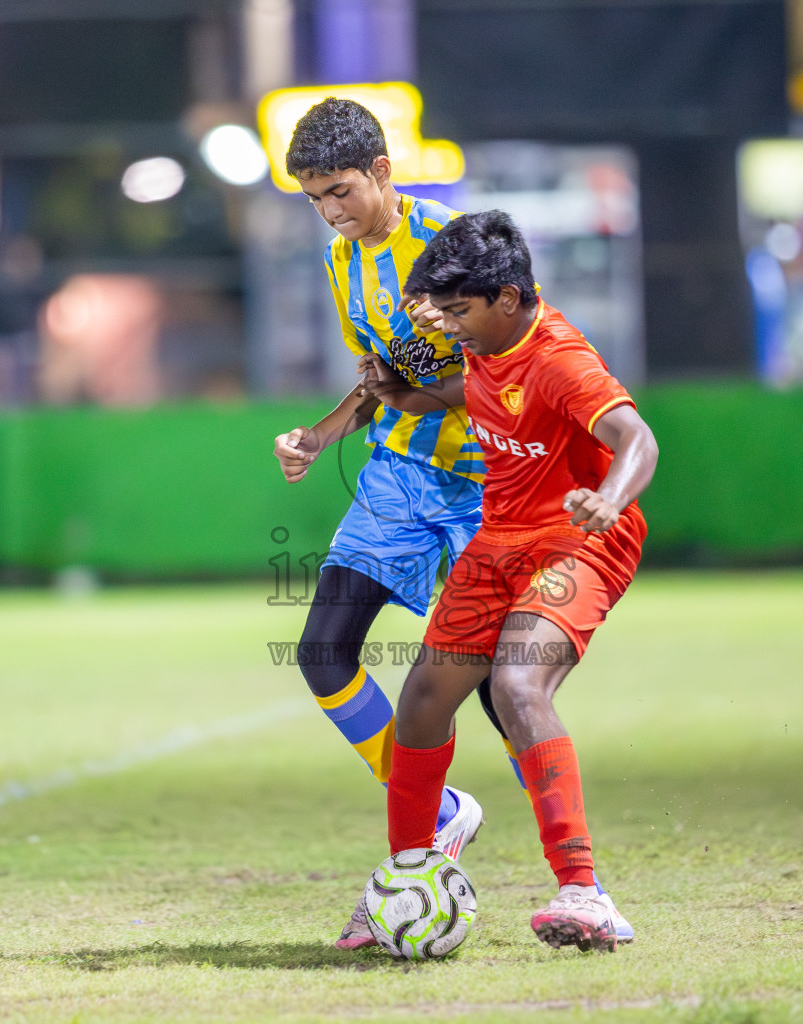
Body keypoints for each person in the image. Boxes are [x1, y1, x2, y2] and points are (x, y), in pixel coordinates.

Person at [359, 210, 658, 951]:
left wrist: (609, 498)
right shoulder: (488, 346)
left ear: (508, 297)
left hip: (579, 541)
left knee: (518, 684)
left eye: (460, 311)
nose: (452, 325)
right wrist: (407, 393)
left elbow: (636, 437)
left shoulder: (559, 356)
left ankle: (584, 892)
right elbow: (478, 392)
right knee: (423, 702)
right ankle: (406, 879)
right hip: (499, 542)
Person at [269, 98, 489, 950]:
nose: (331, 211)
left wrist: (436, 376)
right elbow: (380, 376)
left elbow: (512, 364)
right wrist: (318, 435)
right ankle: (437, 817)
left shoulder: (454, 248)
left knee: (507, 690)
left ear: (383, 172)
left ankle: (579, 886)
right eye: (316, 197)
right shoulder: (341, 262)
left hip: (482, 484)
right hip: (399, 476)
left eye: (340, 191)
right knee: (322, 651)